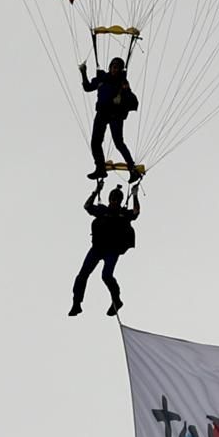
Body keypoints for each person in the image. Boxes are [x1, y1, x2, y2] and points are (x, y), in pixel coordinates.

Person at [69, 182, 140, 317]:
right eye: (112, 199)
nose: (114, 202)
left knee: (106, 275)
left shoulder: (123, 214)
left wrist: (135, 195)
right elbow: (87, 206)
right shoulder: (102, 211)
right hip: (97, 249)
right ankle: (76, 303)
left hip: (111, 251)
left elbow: (136, 212)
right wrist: (96, 190)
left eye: (117, 200)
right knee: (82, 275)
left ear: (120, 201)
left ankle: (116, 301)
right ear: (109, 199)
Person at [79, 56, 140, 181]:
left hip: (115, 115)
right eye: (114, 67)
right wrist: (84, 73)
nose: (115, 70)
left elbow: (133, 101)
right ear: (110, 67)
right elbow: (87, 88)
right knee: (95, 142)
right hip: (102, 113)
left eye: (118, 68)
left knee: (118, 143)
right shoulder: (102, 78)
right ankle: (100, 168)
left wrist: (122, 97)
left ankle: (132, 169)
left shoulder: (123, 82)